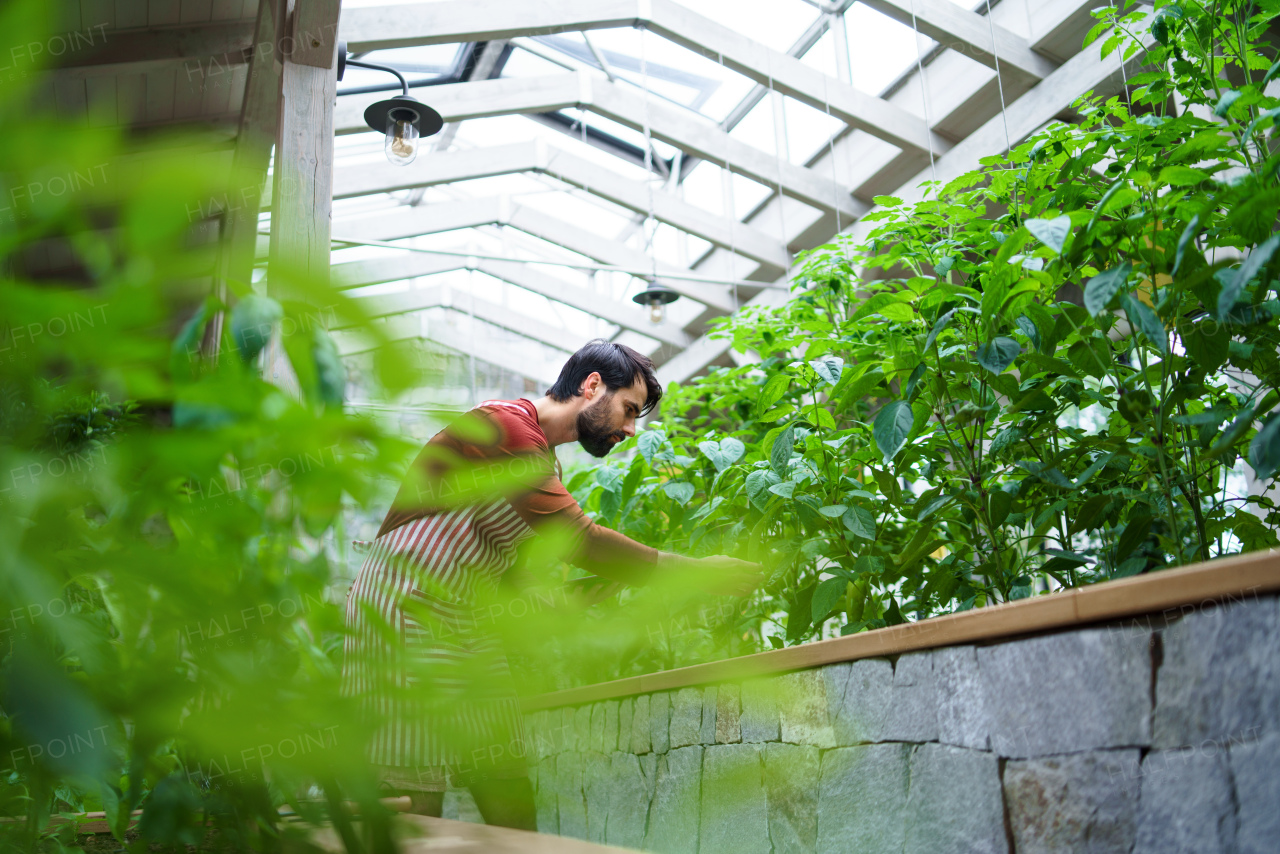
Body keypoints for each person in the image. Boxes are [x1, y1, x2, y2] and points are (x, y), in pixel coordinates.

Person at [341, 340, 762, 830]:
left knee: (504, 778)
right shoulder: (502, 426)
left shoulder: (546, 463)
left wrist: (585, 598)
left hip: (466, 619)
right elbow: (578, 539)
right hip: (405, 606)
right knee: (413, 792)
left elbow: (515, 575)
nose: (629, 430)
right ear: (591, 386)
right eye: (629, 411)